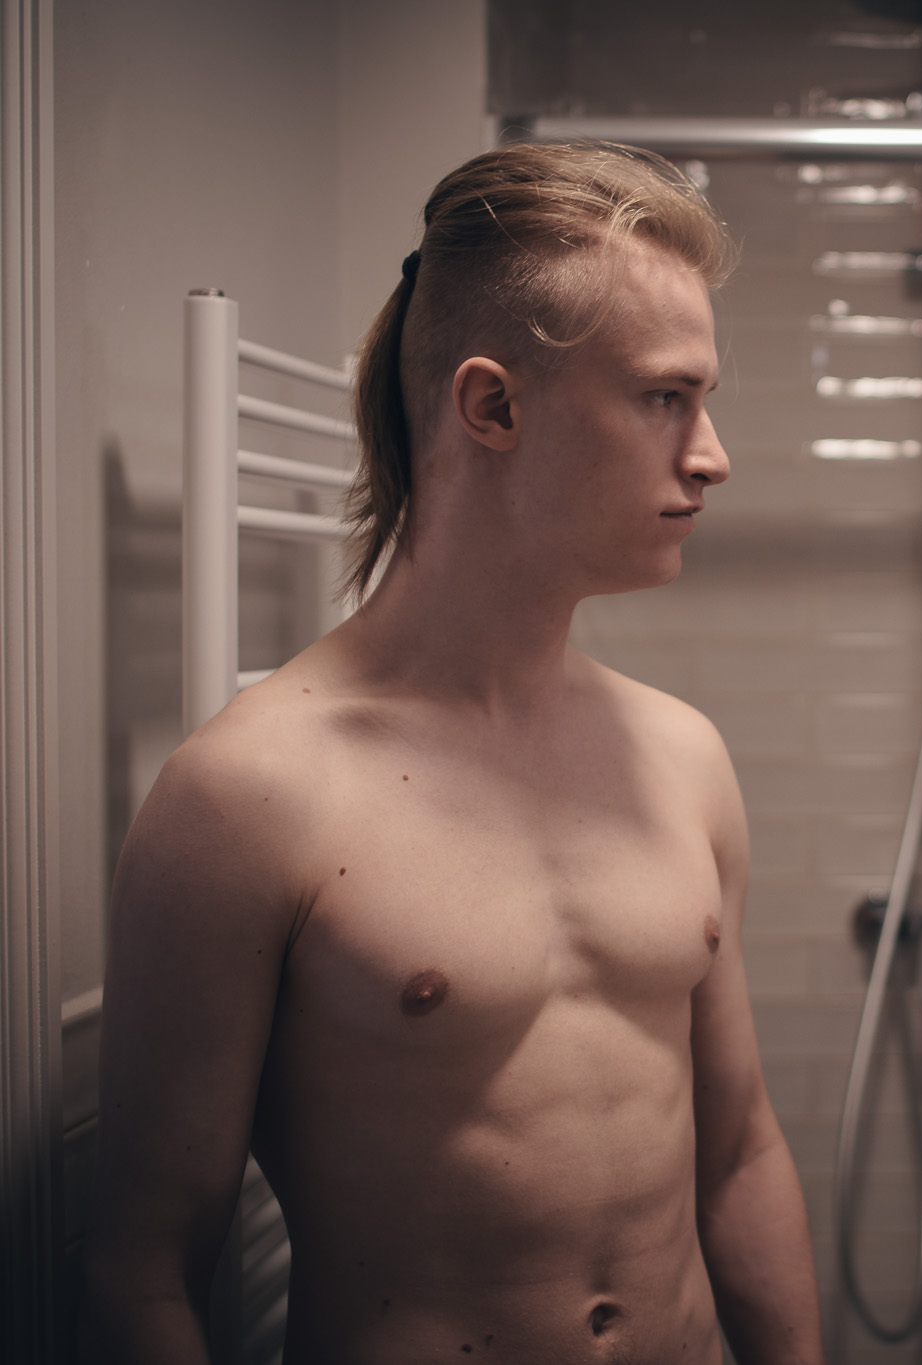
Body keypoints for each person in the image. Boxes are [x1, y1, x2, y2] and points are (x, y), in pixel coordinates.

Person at [83, 142, 824, 1365]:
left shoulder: (680, 756)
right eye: (662, 397)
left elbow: (740, 1154)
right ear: (492, 407)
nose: (710, 454)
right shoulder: (249, 796)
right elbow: (144, 1269)